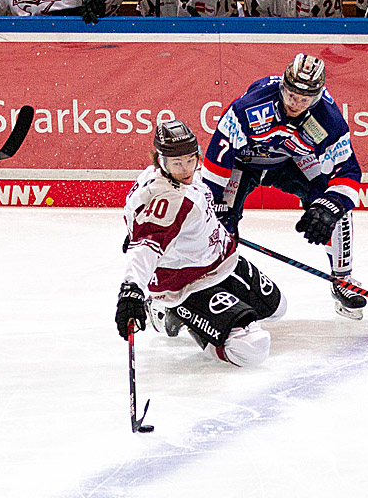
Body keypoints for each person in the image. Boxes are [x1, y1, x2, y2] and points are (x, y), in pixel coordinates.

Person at [200, 54, 367, 320]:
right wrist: (213, 204)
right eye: (291, 95)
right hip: (245, 162)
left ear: (317, 95)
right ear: (283, 86)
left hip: (293, 160)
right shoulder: (250, 106)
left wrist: (329, 206)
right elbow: (217, 156)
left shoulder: (329, 120)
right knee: (218, 227)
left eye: (304, 99)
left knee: (337, 212)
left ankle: (342, 280)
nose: (295, 104)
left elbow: (346, 170)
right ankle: (206, 290)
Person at [115, 120, 287, 368]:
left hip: (223, 261)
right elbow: (146, 247)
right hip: (189, 284)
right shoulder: (168, 198)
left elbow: (142, 216)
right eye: (176, 163)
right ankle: (171, 312)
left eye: (189, 159)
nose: (185, 168)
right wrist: (131, 290)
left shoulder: (172, 177)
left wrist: (137, 228)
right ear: (160, 161)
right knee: (252, 349)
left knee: (277, 309)